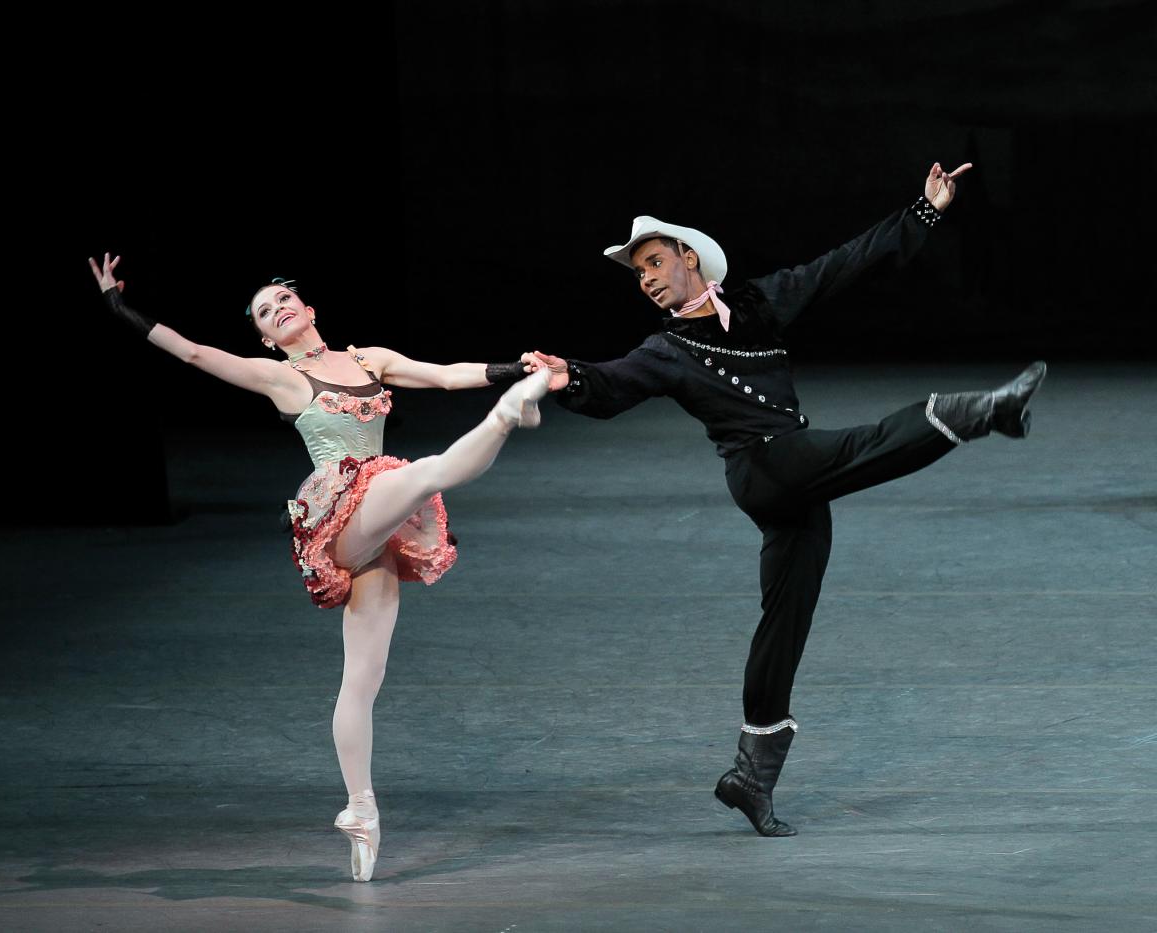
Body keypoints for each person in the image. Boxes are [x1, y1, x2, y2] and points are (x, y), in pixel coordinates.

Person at [525, 162, 1046, 837]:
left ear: (688, 256)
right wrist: (567, 376)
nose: (647, 277)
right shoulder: (667, 348)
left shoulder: (759, 305)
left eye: (654, 261)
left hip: (795, 478)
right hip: (765, 467)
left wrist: (924, 210)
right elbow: (611, 385)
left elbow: (841, 265)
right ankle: (983, 413)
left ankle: (751, 776)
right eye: (638, 273)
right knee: (864, 443)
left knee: (785, 621)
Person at [89, 255, 549, 880]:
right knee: (423, 475)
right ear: (266, 338)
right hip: (339, 518)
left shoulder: (370, 360)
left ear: (308, 311)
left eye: (282, 299)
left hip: (378, 527)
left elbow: (443, 376)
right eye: (263, 313)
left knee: (362, 679)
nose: (277, 309)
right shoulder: (279, 378)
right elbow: (195, 353)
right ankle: (510, 414)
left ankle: (361, 810)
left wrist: (508, 367)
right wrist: (121, 307)